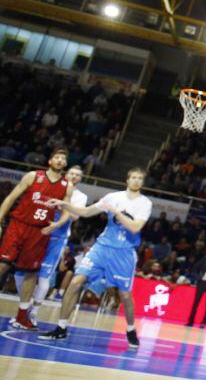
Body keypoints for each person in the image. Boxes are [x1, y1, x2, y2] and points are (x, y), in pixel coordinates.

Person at [40, 168, 152, 348]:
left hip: (124, 253)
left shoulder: (145, 203)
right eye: (134, 178)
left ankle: (130, 329)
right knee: (76, 282)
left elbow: (134, 228)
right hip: (102, 248)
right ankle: (61, 328)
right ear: (127, 180)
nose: (136, 181)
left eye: (140, 178)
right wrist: (62, 203)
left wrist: (116, 212)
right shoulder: (113, 196)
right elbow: (85, 212)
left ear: (143, 183)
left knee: (124, 295)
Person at [0, 148, 73, 330]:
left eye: (63, 159)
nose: (60, 160)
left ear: (65, 164)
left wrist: (56, 225)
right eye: (57, 157)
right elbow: (11, 198)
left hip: (39, 232)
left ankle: (22, 316)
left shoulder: (67, 186)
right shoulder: (33, 176)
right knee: (2, 264)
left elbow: (67, 212)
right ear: (50, 161)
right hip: (18, 226)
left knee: (31, 273)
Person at [12, 164, 86, 325]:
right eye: (72, 173)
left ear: (80, 179)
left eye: (77, 175)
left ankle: (34, 313)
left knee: (44, 276)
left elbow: (75, 216)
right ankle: (24, 308)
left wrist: (62, 204)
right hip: (37, 233)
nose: (74, 177)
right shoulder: (54, 186)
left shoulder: (80, 196)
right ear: (66, 174)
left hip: (57, 238)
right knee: (20, 273)